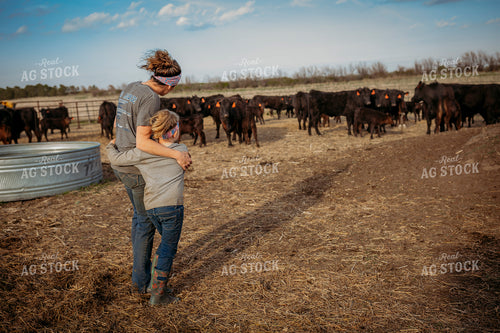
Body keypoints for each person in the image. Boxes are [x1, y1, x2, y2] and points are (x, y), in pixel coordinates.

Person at [112, 49, 191, 294]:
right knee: (144, 222)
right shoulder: (151, 98)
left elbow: (117, 124)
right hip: (135, 168)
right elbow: (143, 143)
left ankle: (140, 279)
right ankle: (143, 284)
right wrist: (177, 154)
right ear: (169, 85)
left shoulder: (131, 87)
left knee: (140, 219)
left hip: (122, 162)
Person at [107, 110, 186, 305]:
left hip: (151, 209)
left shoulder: (142, 153)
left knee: (163, 246)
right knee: (168, 249)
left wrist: (110, 145)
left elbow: (116, 159)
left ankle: (153, 284)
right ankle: (158, 295)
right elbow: (187, 163)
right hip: (172, 208)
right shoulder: (181, 150)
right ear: (174, 131)